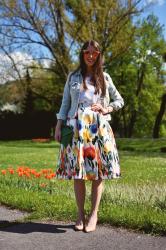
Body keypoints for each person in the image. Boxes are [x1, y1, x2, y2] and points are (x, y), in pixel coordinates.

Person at [54, 40, 124, 233]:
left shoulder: (105, 77)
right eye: (87, 52)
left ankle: (94, 214)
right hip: (76, 129)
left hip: (98, 129)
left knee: (97, 173)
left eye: (94, 52)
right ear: (82, 54)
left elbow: (120, 100)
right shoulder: (73, 77)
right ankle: (79, 214)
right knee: (78, 173)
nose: (91, 55)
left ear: (99, 54)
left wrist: (106, 108)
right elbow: (65, 104)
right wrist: (59, 126)